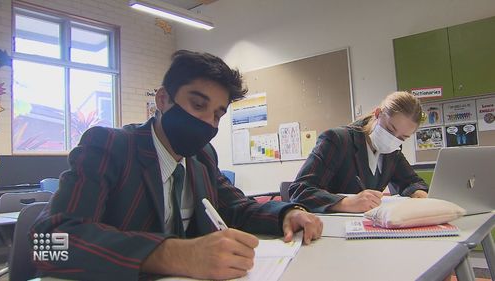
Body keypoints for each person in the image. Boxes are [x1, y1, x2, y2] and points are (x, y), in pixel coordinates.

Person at [31, 50, 323, 281]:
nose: (208, 122)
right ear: (163, 99)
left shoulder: (202, 156)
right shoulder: (109, 146)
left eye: (217, 115)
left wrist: (286, 213)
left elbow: (235, 208)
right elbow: (47, 244)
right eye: (198, 105)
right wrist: (172, 254)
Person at [289, 91, 428, 213]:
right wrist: (345, 202)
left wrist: (418, 192)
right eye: (390, 130)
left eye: (402, 138)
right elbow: (300, 190)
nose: (392, 140)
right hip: (329, 228)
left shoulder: (392, 152)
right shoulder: (337, 140)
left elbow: (412, 182)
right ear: (378, 113)